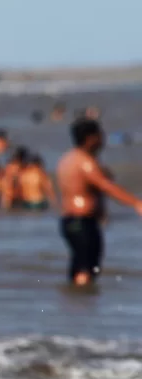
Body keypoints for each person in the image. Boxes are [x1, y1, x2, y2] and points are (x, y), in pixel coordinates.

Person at [56, 117, 142, 286]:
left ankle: (77, 303)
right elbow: (105, 186)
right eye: (100, 135)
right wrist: (135, 202)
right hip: (82, 222)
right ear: (91, 138)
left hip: (71, 221)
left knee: (80, 266)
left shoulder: (68, 159)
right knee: (86, 268)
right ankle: (82, 305)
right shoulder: (85, 162)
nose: (103, 139)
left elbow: (90, 188)